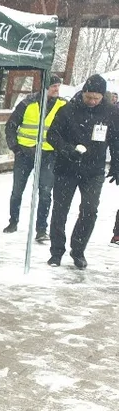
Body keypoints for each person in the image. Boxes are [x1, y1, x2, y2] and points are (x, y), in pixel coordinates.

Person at [47, 74, 119, 269]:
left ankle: (78, 251)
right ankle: (56, 252)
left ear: (103, 96)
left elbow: (116, 139)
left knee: (89, 210)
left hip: (93, 171)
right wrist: (67, 149)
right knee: (60, 210)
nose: (93, 102)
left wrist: (116, 163)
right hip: (66, 168)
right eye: (89, 97)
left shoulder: (111, 113)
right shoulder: (67, 110)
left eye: (97, 98)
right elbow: (52, 135)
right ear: (84, 93)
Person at [2, 75, 66, 242]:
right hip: (24, 153)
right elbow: (11, 126)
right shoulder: (27, 103)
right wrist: (15, 148)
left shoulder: (63, 105)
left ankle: (41, 229)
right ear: (44, 88)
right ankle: (13, 221)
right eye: (53, 86)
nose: (56, 89)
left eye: (58, 86)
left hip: (49, 154)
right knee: (17, 191)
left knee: (45, 193)